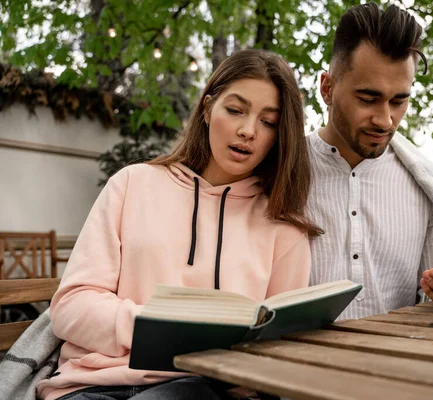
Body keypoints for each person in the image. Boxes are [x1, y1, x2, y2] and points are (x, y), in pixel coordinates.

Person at [36, 49, 321, 400]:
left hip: (202, 388)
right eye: (235, 110)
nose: (248, 130)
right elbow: (70, 307)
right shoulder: (132, 184)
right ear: (206, 109)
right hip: (93, 384)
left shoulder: (284, 229)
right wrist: (159, 329)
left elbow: (279, 346)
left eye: (268, 121)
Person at [306, 3, 433, 320]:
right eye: (368, 99)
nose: (385, 120)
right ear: (327, 88)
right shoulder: (279, 170)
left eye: (399, 100)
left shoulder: (425, 188)